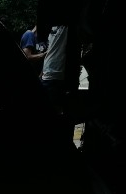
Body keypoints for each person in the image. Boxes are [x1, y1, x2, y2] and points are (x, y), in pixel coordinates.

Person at [37, 0, 84, 141]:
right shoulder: (60, 28)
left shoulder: (58, 28)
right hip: (54, 76)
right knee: (65, 114)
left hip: (56, 76)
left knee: (64, 114)